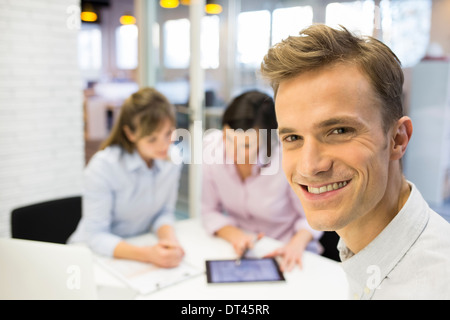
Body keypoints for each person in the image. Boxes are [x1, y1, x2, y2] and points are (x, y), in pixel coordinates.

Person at [261, 24, 450, 299]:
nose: (309, 166)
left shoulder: (434, 284)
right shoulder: (362, 250)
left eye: (339, 131)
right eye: (293, 137)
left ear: (397, 140)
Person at [201, 90, 322, 272]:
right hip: (241, 249)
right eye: (228, 139)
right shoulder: (213, 150)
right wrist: (235, 235)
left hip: (287, 250)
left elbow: (312, 218)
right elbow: (208, 210)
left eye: (247, 145)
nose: (233, 152)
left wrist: (295, 245)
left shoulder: (286, 160)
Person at [68, 87, 184, 268]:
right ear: (130, 133)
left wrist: (170, 241)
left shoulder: (172, 160)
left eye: (168, 133)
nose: (164, 145)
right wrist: (148, 255)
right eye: (152, 139)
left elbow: (163, 213)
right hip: (94, 256)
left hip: (139, 248)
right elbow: (95, 235)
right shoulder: (104, 166)